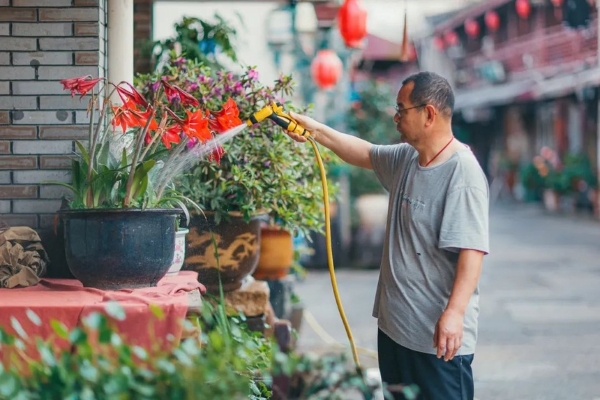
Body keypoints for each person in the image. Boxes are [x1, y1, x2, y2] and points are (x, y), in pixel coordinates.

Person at [285, 71, 489, 400]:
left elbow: (472, 252)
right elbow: (364, 153)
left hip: (435, 340)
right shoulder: (407, 158)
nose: (395, 117)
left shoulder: (461, 172)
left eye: (401, 109)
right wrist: (315, 130)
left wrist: (454, 314)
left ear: (429, 114)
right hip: (395, 330)